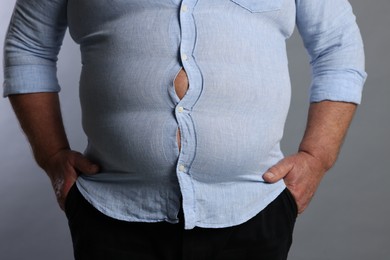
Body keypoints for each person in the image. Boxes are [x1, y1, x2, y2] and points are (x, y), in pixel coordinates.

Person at [3, 0, 366, 259]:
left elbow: (338, 47)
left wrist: (317, 157)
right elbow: (28, 46)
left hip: (253, 205)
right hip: (111, 211)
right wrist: (51, 156)